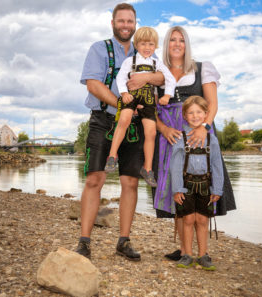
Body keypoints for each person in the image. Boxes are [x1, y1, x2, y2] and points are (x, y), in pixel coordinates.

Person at [76, 3, 164, 261]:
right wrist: (124, 103)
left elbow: (163, 77)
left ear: (135, 24)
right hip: (104, 119)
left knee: (130, 182)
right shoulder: (99, 49)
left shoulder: (146, 52)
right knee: (95, 179)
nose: (126, 25)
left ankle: (123, 241)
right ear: (113, 22)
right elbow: (93, 84)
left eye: (130, 21)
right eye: (121, 21)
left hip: (137, 125)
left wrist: (147, 79)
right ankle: (84, 241)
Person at [152, 26, 236, 261]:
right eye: (172, 40)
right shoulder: (158, 74)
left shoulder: (202, 69)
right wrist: (165, 129)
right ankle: (184, 250)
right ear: (166, 44)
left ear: (186, 45)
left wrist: (203, 128)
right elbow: (150, 111)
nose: (177, 44)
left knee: (200, 185)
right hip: (170, 138)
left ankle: (199, 251)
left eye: (182, 40)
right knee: (176, 191)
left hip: (199, 136)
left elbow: (212, 104)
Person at [105, 27, 176, 188]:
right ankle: (112, 155)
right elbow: (121, 77)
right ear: (136, 45)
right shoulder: (130, 62)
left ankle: (148, 168)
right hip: (132, 96)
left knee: (151, 132)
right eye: (143, 44)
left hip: (149, 99)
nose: (147, 48)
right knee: (124, 119)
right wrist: (124, 93)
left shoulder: (157, 63)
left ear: (155, 46)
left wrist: (167, 95)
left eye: (151, 44)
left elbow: (170, 79)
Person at [170, 96, 223, 270]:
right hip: (186, 185)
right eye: (191, 113)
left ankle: (203, 255)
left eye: (199, 112)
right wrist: (177, 189)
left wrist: (217, 189)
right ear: (185, 116)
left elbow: (216, 166)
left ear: (206, 114)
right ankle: (187, 255)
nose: (195, 116)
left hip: (205, 186)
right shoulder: (180, 138)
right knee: (188, 219)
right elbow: (175, 166)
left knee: (202, 220)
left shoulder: (212, 139)